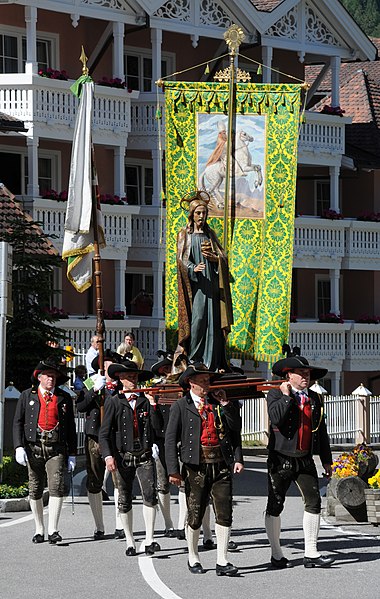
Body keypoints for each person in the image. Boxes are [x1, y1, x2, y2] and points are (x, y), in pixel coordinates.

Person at [165, 363, 244, 576]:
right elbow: (170, 440)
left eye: (208, 380)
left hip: (221, 464)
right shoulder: (181, 406)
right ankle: (193, 556)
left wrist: (238, 458)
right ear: (191, 382)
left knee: (224, 512)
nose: (206, 384)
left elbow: (235, 430)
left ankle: (222, 559)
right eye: (202, 381)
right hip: (195, 466)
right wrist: (173, 470)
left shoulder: (219, 403)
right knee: (196, 513)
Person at [265, 351, 335, 569]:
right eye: (301, 373)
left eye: (307, 373)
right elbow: (276, 418)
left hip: (305, 458)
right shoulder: (275, 395)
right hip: (281, 458)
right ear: (289, 376)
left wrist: (326, 459)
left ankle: (311, 553)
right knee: (276, 504)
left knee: (314, 502)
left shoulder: (315, 398)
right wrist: (287, 397)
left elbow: (320, 431)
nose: (306, 376)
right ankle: (276, 554)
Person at [99, 358, 163, 556]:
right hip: (122, 455)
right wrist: (108, 456)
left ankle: (150, 538)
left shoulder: (145, 400)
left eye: (134, 376)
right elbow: (104, 433)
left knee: (150, 495)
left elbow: (157, 427)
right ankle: (129, 540)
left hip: (143, 454)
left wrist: (153, 405)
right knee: (124, 498)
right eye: (128, 377)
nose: (132, 380)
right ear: (120, 379)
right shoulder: (114, 402)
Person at [13, 357, 77, 544]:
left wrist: (72, 453)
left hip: (56, 448)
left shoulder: (63, 398)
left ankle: (53, 530)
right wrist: (18, 446)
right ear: (39, 377)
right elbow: (17, 422)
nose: (52, 379)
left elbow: (71, 428)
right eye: (48, 376)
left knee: (56, 486)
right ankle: (39, 529)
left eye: (54, 376)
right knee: (35, 489)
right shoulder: (27, 395)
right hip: (33, 447)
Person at [175, 190, 233, 373]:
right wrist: (193, 268)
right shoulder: (185, 235)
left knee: (214, 322)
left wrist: (216, 259)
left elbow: (223, 257)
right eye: (198, 213)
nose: (202, 216)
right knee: (198, 320)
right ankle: (195, 358)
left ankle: (213, 361)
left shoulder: (211, 234)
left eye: (204, 213)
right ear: (192, 214)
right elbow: (180, 260)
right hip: (197, 286)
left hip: (212, 283)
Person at [76, 349, 122, 540]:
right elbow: (80, 406)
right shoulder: (90, 382)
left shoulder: (121, 384)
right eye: (105, 364)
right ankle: (99, 525)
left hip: (116, 435)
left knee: (119, 479)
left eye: (111, 364)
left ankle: (121, 524)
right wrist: (95, 390)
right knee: (94, 479)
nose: (108, 367)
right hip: (95, 434)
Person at [149, 350, 176, 537]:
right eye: (165, 369)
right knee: (162, 484)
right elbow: (152, 419)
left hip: (180, 441)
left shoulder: (182, 388)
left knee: (184, 484)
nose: (168, 372)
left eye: (171, 368)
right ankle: (168, 523)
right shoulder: (156, 389)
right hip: (161, 439)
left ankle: (184, 523)